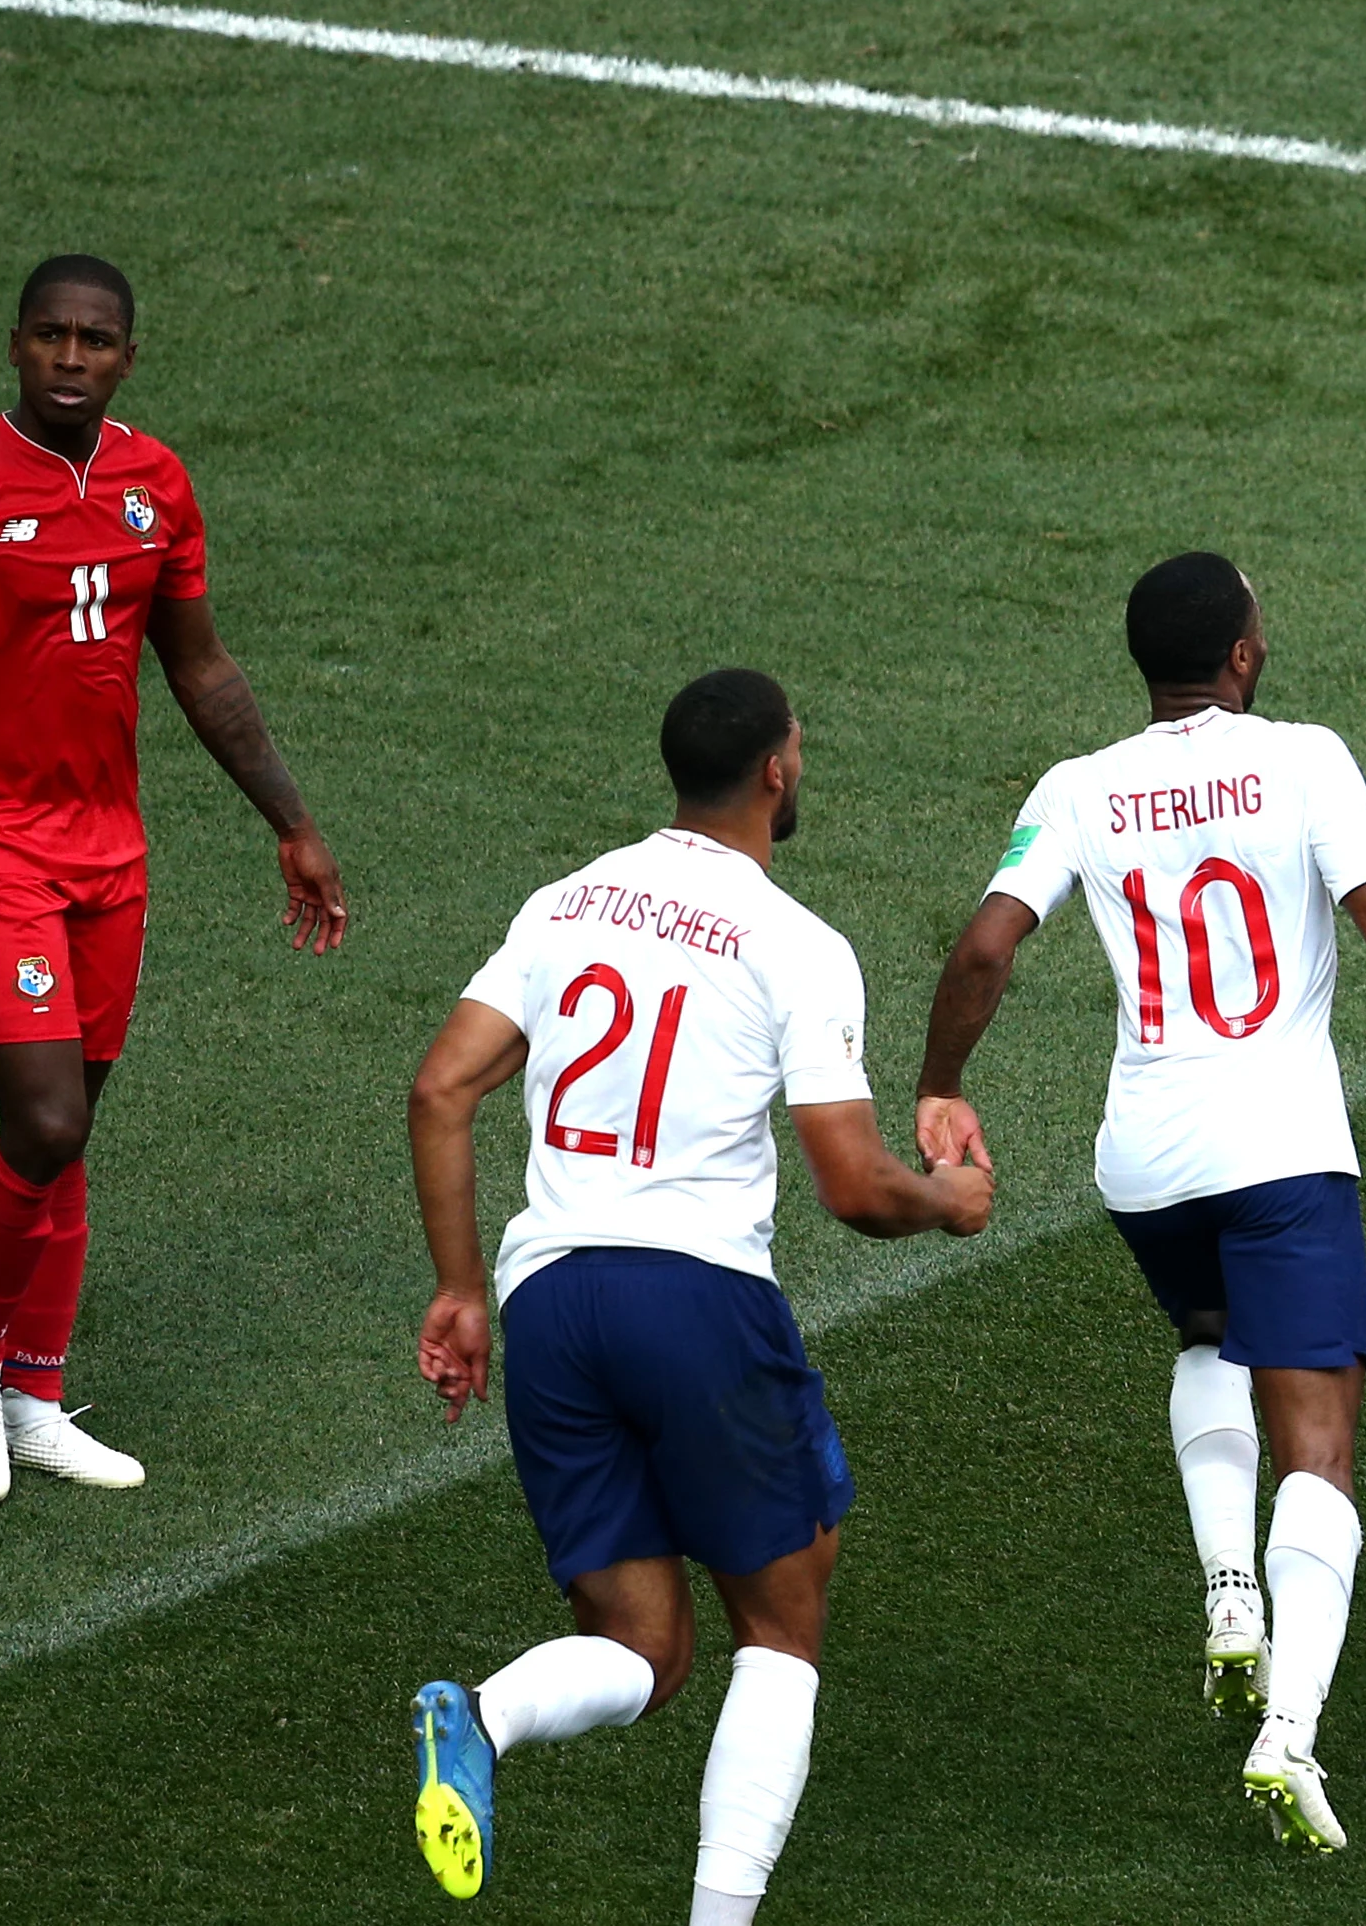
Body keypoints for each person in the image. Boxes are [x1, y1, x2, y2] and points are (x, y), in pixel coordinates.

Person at [913, 552, 1366, 1853]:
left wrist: (940, 1085)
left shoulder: (1079, 787)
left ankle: (1229, 1593)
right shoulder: (1305, 758)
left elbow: (987, 942)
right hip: (1279, 1148)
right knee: (1318, 1447)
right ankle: (1292, 1731)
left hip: (1146, 1159)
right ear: (1245, 653)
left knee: (1210, 1336)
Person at [400, 669, 990, 1915]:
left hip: (551, 1300)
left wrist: (461, 1287)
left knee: (645, 1647)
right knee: (778, 1629)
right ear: (776, 769)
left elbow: (441, 1086)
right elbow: (850, 1182)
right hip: (695, 1298)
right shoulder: (796, 942)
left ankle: (484, 1715)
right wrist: (949, 1199)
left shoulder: (567, 901)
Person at [0, 253, 348, 1504]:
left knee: (70, 1127)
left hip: (109, 846)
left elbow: (200, 668)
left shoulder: (157, 484)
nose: (72, 358)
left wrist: (292, 820)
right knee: (44, 1117)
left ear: (128, 358)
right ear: (15, 345)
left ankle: (36, 1395)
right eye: (51, 335)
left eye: (96, 340)